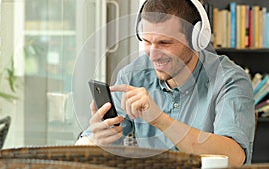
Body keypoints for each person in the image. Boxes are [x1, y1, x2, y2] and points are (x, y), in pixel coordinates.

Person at [75, 0, 255, 167]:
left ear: (196, 39)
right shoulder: (134, 75)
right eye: (146, 41)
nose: (153, 54)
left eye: (164, 42)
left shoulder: (229, 79)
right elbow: (92, 140)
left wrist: (160, 119)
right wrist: (97, 138)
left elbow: (235, 157)